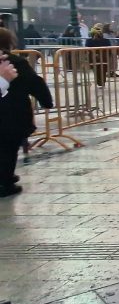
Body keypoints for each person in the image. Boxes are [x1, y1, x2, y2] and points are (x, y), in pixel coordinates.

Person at [0, 29, 54, 197]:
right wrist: (47, 102)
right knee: (9, 149)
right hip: (13, 114)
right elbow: (35, 83)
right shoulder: (16, 62)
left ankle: (6, 176)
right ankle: (6, 181)